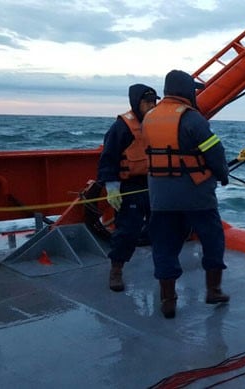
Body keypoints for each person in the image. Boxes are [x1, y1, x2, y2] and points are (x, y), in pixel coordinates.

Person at [142, 69, 230, 319]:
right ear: (186, 91)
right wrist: (223, 175)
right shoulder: (193, 119)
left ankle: (168, 300)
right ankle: (213, 290)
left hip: (160, 197)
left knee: (164, 245)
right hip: (197, 195)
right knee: (212, 239)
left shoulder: (149, 118)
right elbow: (215, 153)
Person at [98, 83, 159, 292]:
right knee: (127, 232)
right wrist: (112, 187)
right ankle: (116, 271)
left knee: (162, 228)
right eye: (147, 102)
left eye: (154, 101)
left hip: (155, 185)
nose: (151, 105)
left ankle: (163, 271)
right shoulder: (121, 127)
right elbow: (109, 158)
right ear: (136, 102)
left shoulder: (159, 124)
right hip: (130, 188)